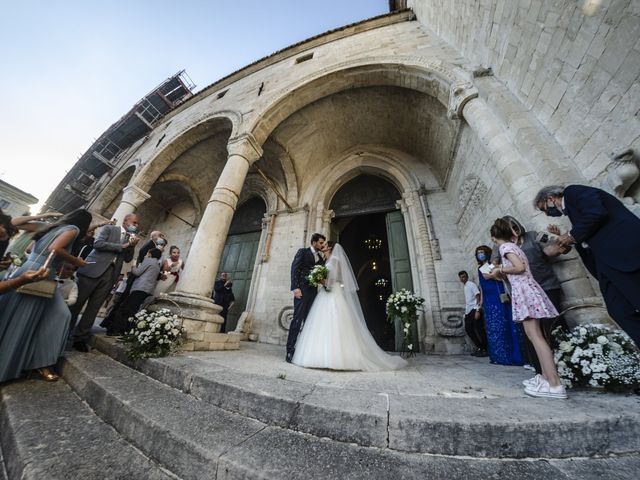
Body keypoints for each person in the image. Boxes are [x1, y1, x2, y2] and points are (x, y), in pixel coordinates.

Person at [534, 184, 640, 346]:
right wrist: (567, 240)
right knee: (618, 310)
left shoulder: (573, 192)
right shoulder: (573, 212)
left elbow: (596, 212)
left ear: (550, 199)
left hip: (622, 252)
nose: (548, 214)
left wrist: (571, 235)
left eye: (545, 209)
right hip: (607, 264)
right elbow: (587, 233)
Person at [0, 209, 91, 383]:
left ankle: (40, 361)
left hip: (29, 267)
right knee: (26, 318)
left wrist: (42, 218)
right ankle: (37, 362)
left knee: (50, 314)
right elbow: (55, 248)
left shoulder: (51, 227)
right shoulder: (74, 229)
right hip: (40, 274)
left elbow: (22, 236)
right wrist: (76, 261)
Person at [292, 242, 407, 371]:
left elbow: (340, 278)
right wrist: (321, 280)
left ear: (330, 248)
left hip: (333, 292)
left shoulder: (335, 260)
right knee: (322, 323)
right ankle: (320, 357)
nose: (322, 247)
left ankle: (338, 358)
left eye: (324, 246)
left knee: (336, 322)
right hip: (325, 293)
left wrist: (324, 281)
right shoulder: (326, 260)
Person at [488, 218, 567, 399]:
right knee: (535, 336)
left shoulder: (505, 248)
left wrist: (500, 270)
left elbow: (520, 268)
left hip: (525, 292)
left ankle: (554, 384)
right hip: (528, 290)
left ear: (494, 238)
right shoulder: (514, 247)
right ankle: (546, 379)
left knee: (536, 337)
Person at [69, 213, 140, 352]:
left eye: (137, 224)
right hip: (93, 269)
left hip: (110, 274)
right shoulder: (110, 229)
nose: (137, 226)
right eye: (135, 223)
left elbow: (127, 259)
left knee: (94, 308)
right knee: (76, 303)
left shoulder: (130, 238)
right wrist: (124, 245)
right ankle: (64, 332)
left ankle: (80, 337)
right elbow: (98, 244)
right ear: (126, 221)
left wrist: (132, 246)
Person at [475, 246, 523, 365]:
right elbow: (482, 284)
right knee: (492, 326)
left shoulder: (491, 265)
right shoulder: (481, 267)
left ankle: (510, 355)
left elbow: (489, 275)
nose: (480, 254)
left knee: (504, 322)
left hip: (498, 296)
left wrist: (494, 266)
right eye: (478, 253)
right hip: (488, 299)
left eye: (482, 252)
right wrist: (480, 303)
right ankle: (498, 355)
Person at [103, 248, 162, 336]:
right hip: (146, 290)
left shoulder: (149, 260)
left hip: (140, 288)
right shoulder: (157, 264)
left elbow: (137, 272)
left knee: (126, 309)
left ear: (150, 253)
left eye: (148, 253)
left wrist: (133, 266)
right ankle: (124, 329)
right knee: (132, 309)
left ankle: (115, 329)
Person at [286, 233, 326, 363]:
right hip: (301, 291)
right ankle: (290, 351)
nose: (322, 245)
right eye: (320, 243)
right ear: (314, 242)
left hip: (313, 292)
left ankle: (303, 351)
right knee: (297, 320)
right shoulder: (303, 252)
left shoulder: (320, 258)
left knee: (309, 321)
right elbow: (294, 269)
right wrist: (295, 288)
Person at [458, 270, 488, 357]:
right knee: (469, 329)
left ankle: (485, 349)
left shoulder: (471, 284)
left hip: (474, 309)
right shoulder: (465, 286)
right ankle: (480, 347)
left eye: (464, 276)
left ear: (467, 276)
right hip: (468, 311)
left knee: (479, 330)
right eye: (461, 277)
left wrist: (478, 310)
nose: (462, 278)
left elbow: (477, 296)